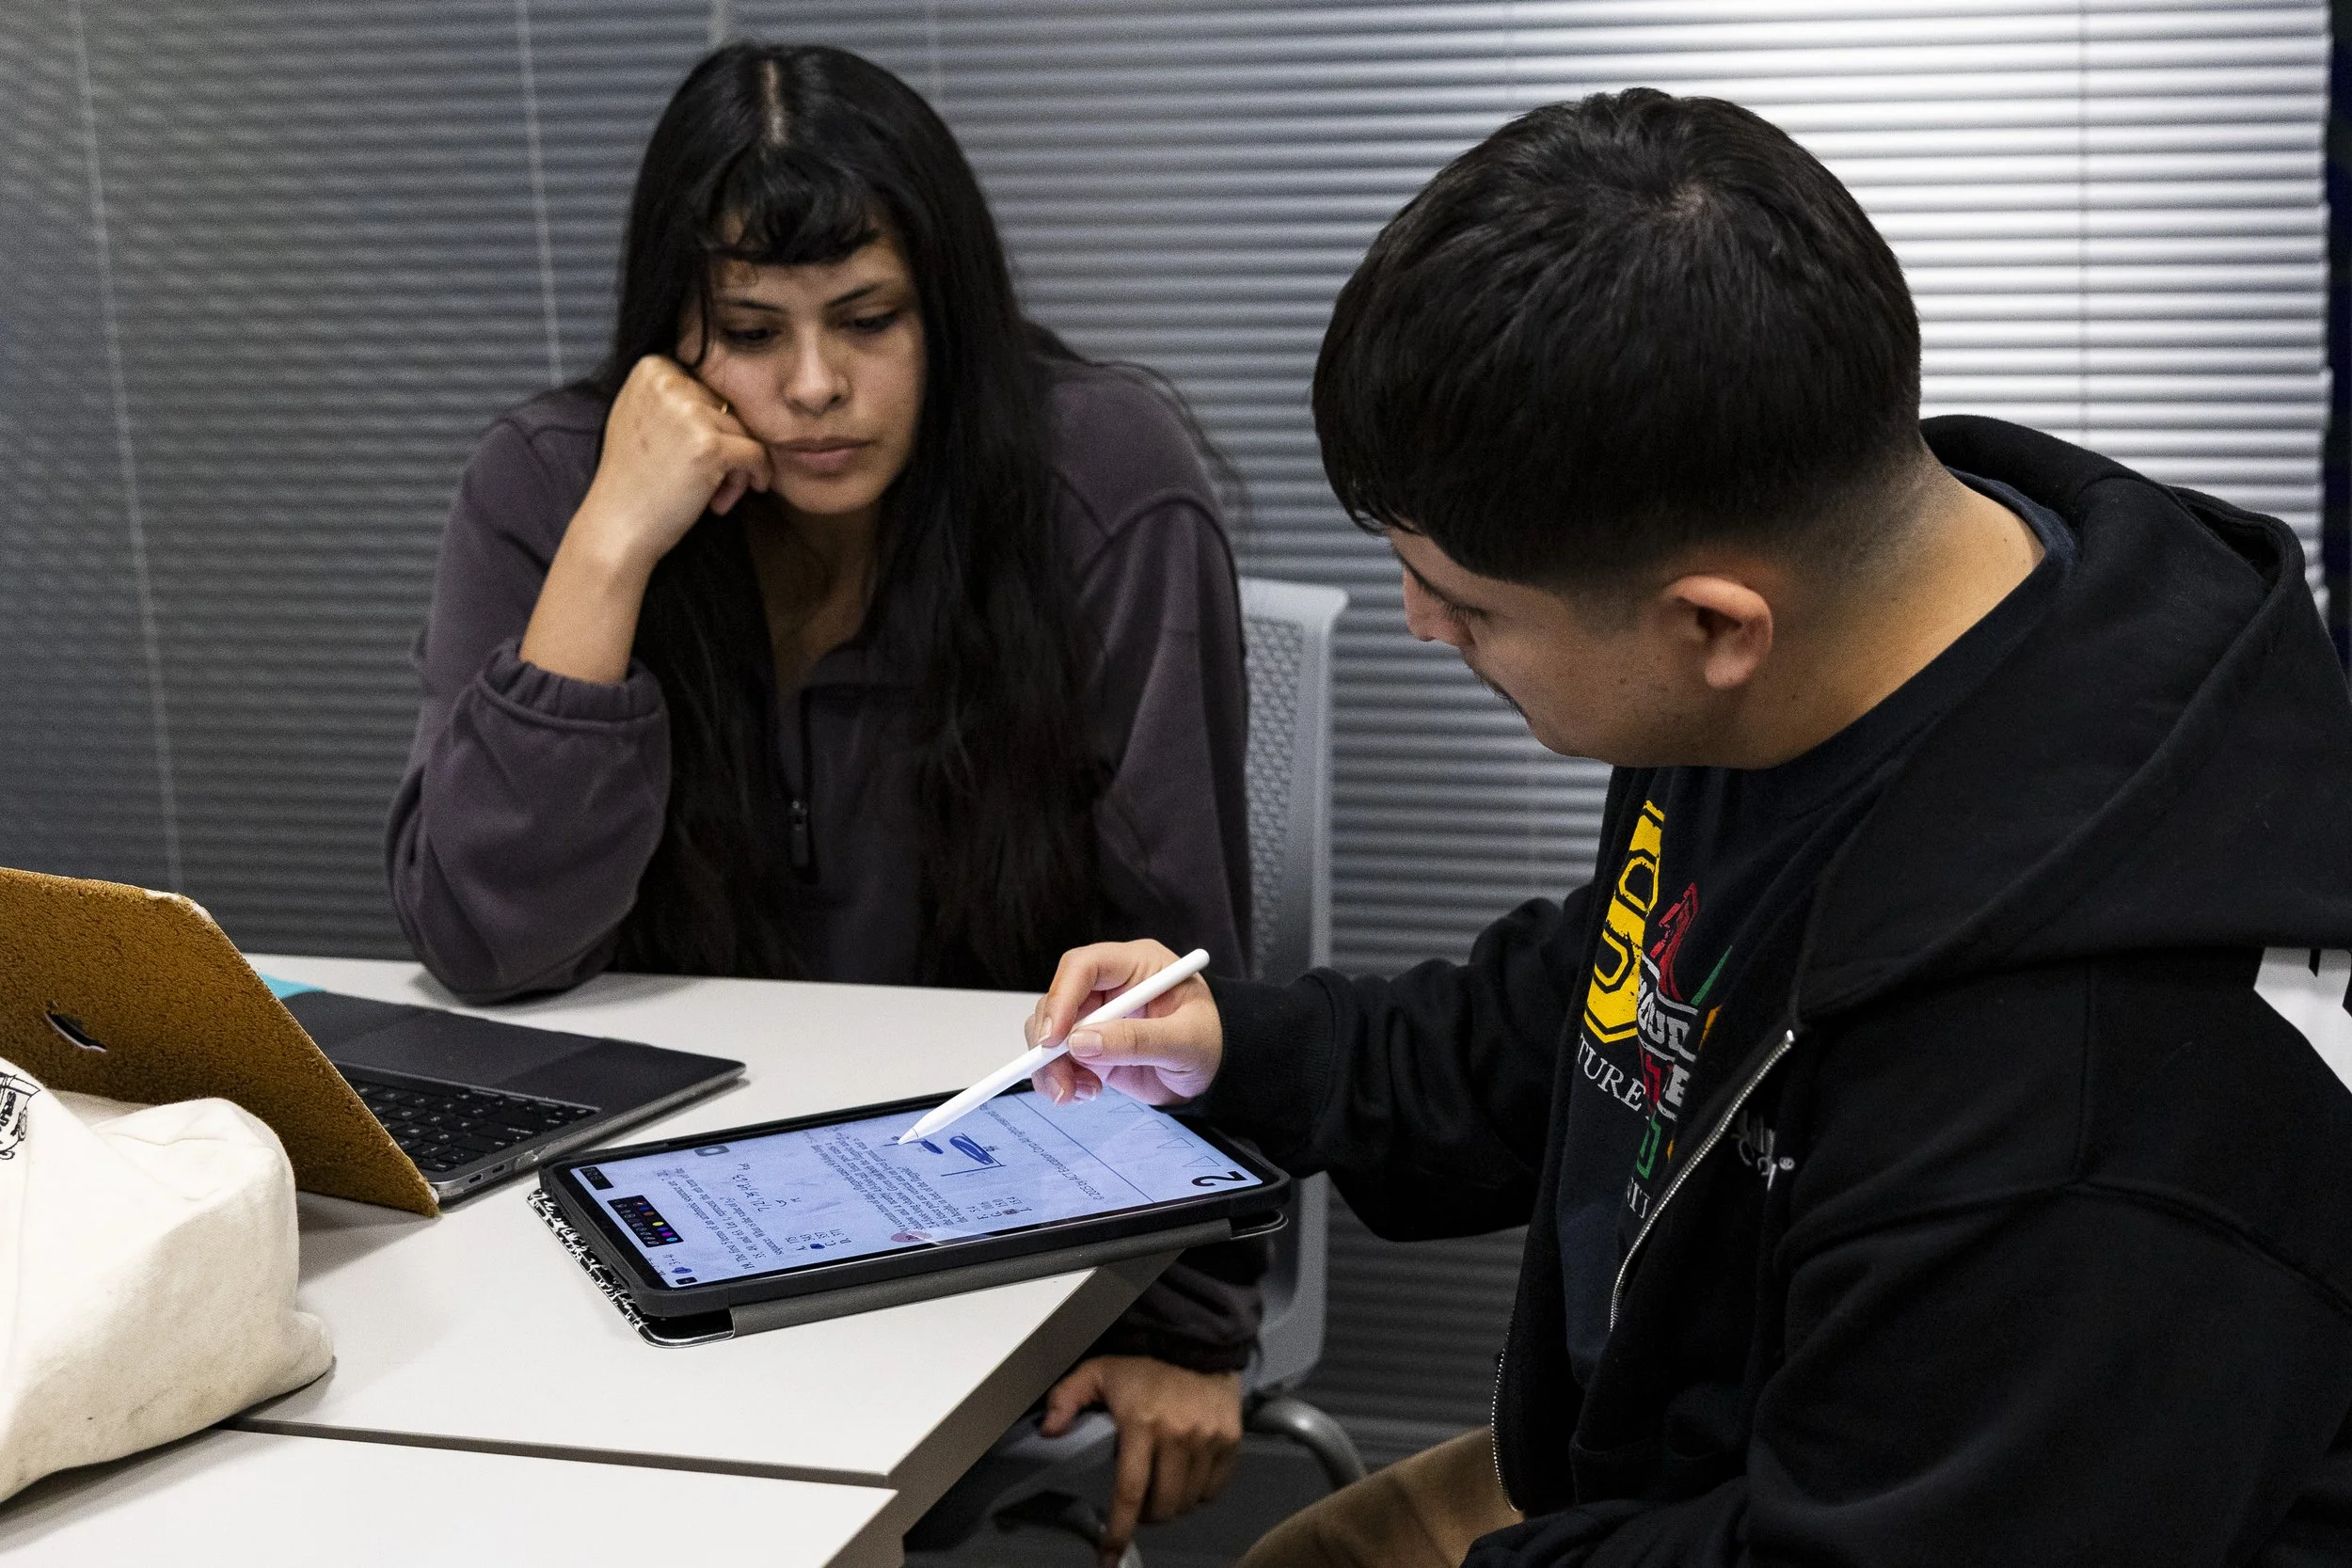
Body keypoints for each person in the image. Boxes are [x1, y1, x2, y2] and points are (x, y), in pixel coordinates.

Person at [1025, 88, 2352, 1567]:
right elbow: (1626, 1005)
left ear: (1713, 624)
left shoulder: (2085, 1109)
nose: (1417, 623)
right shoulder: (1833, 639)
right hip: (1691, 1458)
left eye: (1467, 606)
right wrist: (1245, 1052)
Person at [386, 42, 1261, 1556]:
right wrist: (611, 549)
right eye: (748, 331)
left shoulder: (1101, 482)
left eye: (869, 321)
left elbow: (1177, 957)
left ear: (950, 317)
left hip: (1002, 1220)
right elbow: (488, 942)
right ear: (671, 335)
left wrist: (1189, 1320)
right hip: (655, 1219)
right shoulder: (547, 487)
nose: (812, 387)